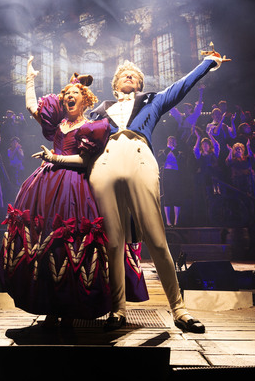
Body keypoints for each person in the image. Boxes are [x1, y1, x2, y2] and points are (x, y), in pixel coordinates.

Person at [0, 58, 148, 326]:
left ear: (85, 100)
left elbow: (86, 161)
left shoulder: (93, 126)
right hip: (45, 186)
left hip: (76, 185)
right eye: (66, 94)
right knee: (47, 245)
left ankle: (73, 305)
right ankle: (50, 305)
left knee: (73, 243)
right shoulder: (57, 125)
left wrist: (54, 158)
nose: (69, 97)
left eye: (75, 94)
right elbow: (33, 107)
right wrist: (29, 78)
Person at [88, 54, 224, 333]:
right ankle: (117, 309)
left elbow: (181, 85)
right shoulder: (98, 111)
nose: (129, 76)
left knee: (157, 239)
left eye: (134, 75)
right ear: (115, 85)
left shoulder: (152, 100)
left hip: (139, 157)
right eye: (124, 74)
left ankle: (179, 309)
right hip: (105, 164)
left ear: (139, 84)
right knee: (113, 243)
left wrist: (208, 63)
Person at [156, 136, 186, 226]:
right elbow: (160, 159)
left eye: (173, 140)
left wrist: (173, 149)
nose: (171, 142)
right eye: (169, 140)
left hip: (176, 174)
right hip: (166, 174)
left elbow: (182, 160)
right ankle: (168, 221)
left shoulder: (179, 152)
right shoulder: (163, 151)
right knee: (167, 196)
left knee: (176, 196)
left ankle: (176, 221)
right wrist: (168, 148)